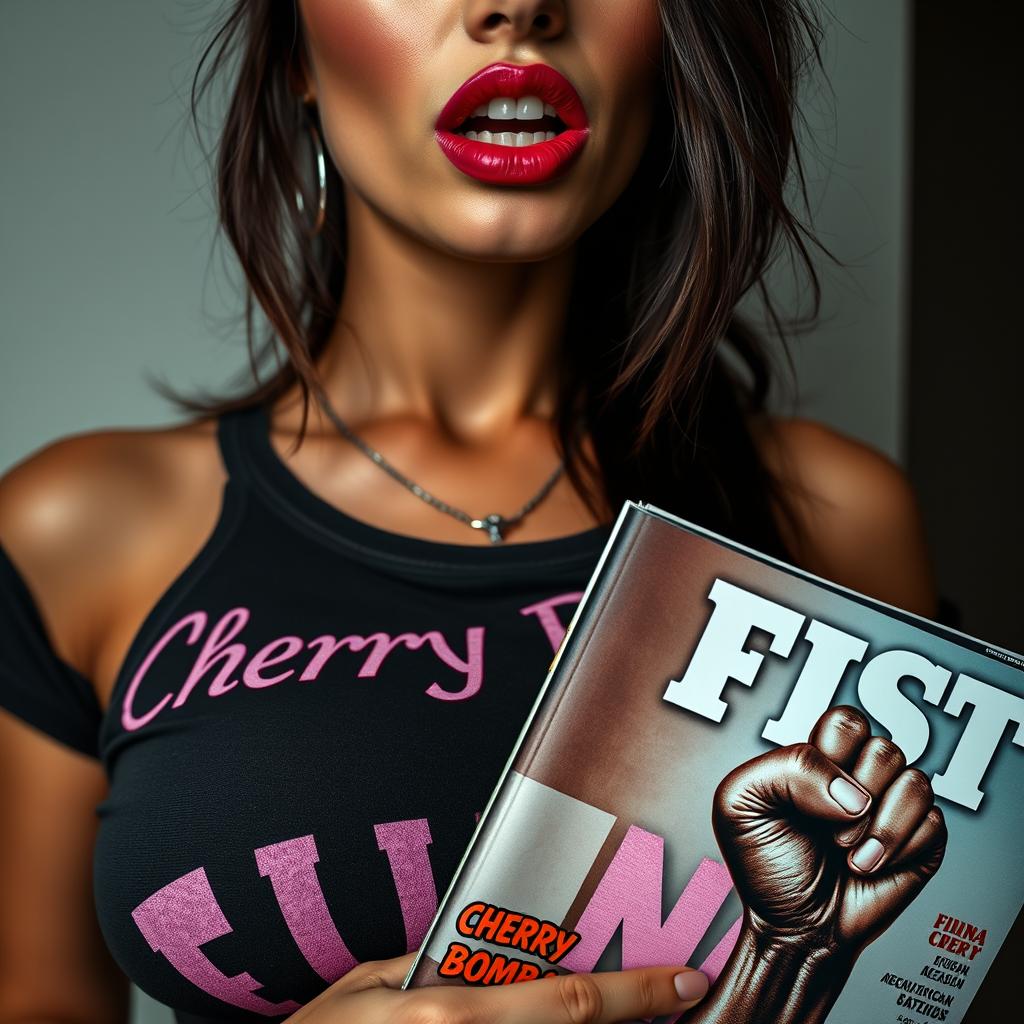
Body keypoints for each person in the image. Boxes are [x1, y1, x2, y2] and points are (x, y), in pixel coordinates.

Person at [0, 1, 936, 1022]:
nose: (519, 5)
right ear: (297, 56)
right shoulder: (79, 531)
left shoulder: (833, 520)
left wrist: (792, 960)